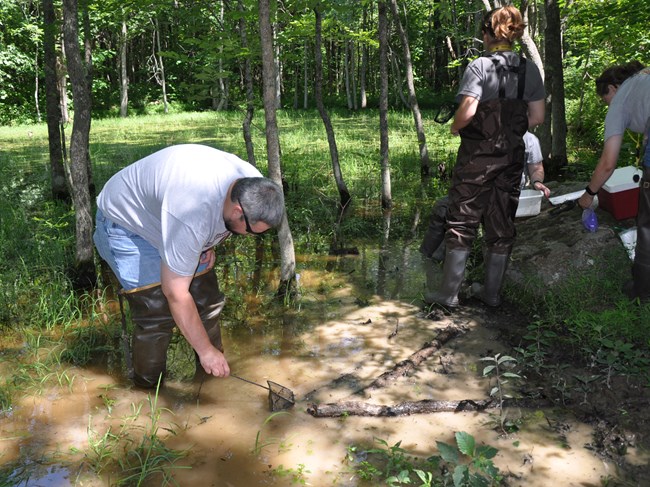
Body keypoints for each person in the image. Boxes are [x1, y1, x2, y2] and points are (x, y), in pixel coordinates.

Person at [93, 144, 285, 388]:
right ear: (237, 210)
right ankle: (148, 392)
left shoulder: (253, 186)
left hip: (170, 216)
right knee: (156, 312)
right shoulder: (191, 212)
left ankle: (211, 381)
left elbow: (217, 223)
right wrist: (205, 350)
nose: (249, 236)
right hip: (128, 224)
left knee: (207, 299)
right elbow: (175, 292)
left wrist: (207, 245)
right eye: (249, 231)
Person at [424, 6, 545, 308]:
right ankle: (491, 294)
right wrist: (511, 129)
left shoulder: (480, 66)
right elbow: (538, 116)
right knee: (501, 224)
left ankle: (448, 294)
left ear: (488, 34)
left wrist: (455, 127)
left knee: (462, 219)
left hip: (477, 159)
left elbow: (467, 112)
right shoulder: (529, 69)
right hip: (511, 158)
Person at [577, 61, 650, 303]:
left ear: (613, 88)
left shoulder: (620, 100)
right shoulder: (645, 76)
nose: (606, 104)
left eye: (604, 98)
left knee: (647, 226)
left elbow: (608, 162)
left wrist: (589, 193)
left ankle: (643, 292)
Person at [420, 131, 550, 262]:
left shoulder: (529, 139)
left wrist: (537, 182)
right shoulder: (485, 132)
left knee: (465, 220)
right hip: (475, 191)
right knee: (442, 206)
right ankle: (425, 258)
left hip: (504, 194)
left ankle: (441, 261)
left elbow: (536, 169)